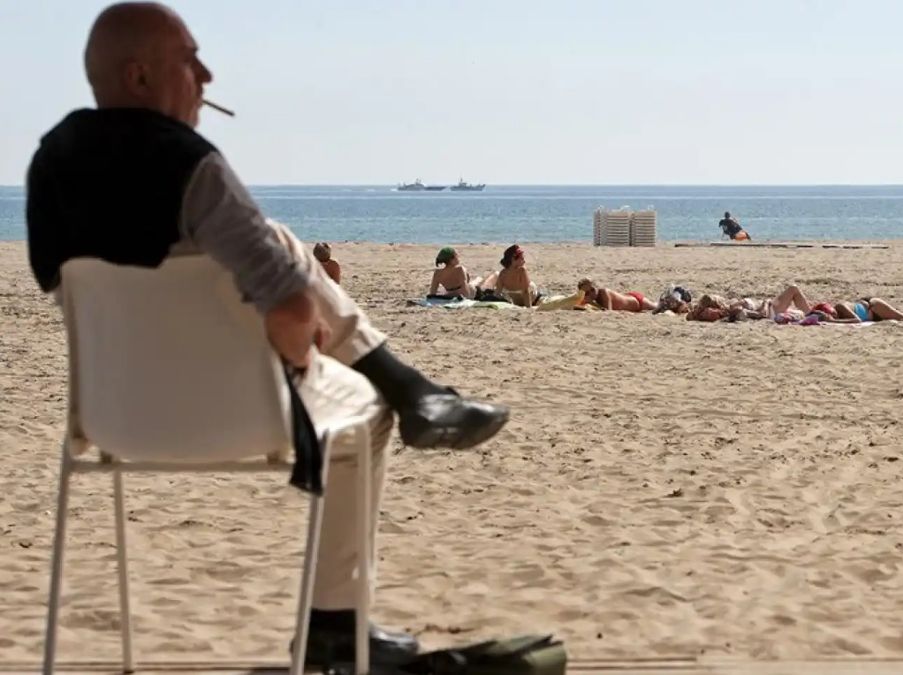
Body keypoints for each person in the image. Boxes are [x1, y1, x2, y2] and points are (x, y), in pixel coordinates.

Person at [24, 3, 509, 666]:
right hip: (237, 413)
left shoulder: (49, 166)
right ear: (139, 77)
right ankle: (336, 620)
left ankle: (414, 389)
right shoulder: (195, 167)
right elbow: (286, 307)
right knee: (365, 411)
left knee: (278, 241)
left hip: (112, 418)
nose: (206, 73)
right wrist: (301, 350)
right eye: (189, 59)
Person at [576, 278, 655, 312]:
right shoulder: (593, 298)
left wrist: (589, 303)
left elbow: (608, 311)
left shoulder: (604, 293)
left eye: (592, 289)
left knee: (657, 307)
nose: (591, 293)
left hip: (637, 301)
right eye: (587, 293)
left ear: (597, 287)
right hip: (628, 298)